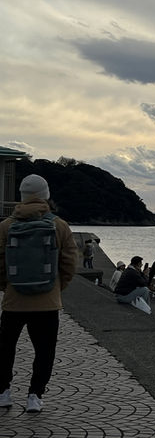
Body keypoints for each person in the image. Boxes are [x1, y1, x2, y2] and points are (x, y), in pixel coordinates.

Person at [0, 174, 78, 412]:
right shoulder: (59, 225)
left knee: (5, 348)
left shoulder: (5, 226)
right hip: (47, 303)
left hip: (14, 301)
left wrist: (8, 285)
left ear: (21, 197)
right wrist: (55, 288)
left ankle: (3, 392)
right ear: (46, 195)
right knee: (44, 350)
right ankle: (35, 396)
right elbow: (69, 263)